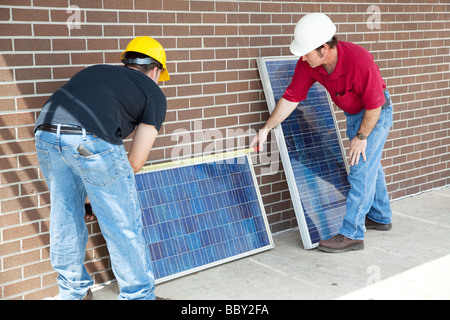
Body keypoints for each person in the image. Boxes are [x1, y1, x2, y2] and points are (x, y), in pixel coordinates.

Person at [34, 36, 170, 299]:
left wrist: (89, 196)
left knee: (65, 217)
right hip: (89, 137)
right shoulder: (153, 92)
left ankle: (72, 292)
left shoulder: (97, 71)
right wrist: (101, 195)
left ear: (127, 62)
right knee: (121, 221)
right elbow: (134, 162)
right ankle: (139, 296)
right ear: (155, 71)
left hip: (46, 133)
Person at [251, 13, 393, 253]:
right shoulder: (308, 65)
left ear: (324, 49)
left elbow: (374, 106)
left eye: (306, 52)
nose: (302, 57)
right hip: (354, 114)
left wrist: (361, 138)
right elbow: (290, 98)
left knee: (360, 169)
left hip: (375, 115)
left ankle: (352, 234)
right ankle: (380, 216)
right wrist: (267, 128)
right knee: (370, 166)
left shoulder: (359, 60)